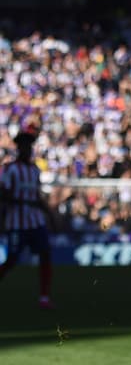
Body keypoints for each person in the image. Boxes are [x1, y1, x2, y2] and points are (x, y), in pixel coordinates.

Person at [0, 129, 55, 308]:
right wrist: (20, 201)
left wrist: (49, 214)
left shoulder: (34, 170)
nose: (28, 150)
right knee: (12, 259)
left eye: (30, 146)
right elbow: (3, 193)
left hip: (36, 221)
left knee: (45, 253)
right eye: (24, 146)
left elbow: (37, 196)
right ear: (19, 148)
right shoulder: (10, 169)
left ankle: (44, 297)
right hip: (16, 221)